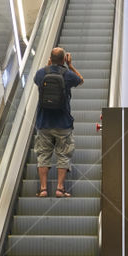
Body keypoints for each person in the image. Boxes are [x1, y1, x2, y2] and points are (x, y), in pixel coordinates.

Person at [33, 46, 83, 197]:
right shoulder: (67, 74)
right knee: (63, 155)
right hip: (63, 123)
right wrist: (71, 66)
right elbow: (80, 80)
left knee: (43, 155)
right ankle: (60, 188)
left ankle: (43, 189)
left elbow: (38, 81)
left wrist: (48, 66)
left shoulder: (41, 73)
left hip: (44, 123)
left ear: (50, 58)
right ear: (63, 59)